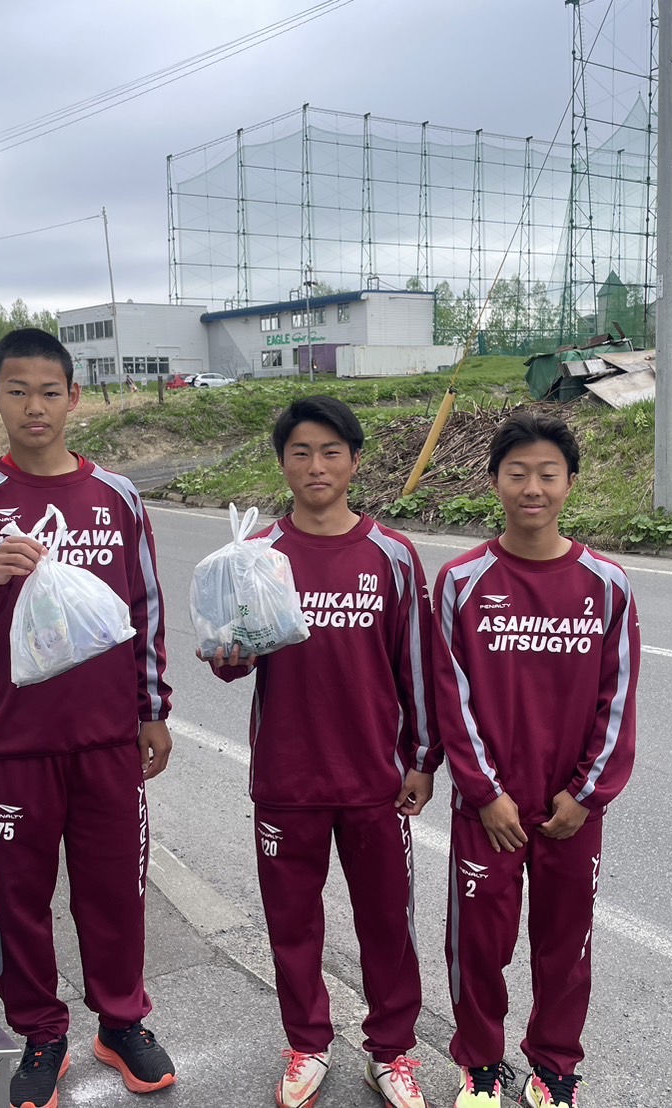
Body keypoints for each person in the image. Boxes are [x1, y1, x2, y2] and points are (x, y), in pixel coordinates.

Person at [0, 328, 177, 1108]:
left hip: (106, 741)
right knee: (18, 901)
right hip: (10, 745)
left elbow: (144, 608)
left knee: (114, 894)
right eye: (17, 391)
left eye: (49, 392)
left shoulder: (116, 496)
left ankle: (121, 1021)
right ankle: (40, 1031)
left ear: (74, 398)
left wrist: (152, 710)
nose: (34, 407)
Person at [201, 396, 439, 1108]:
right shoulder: (255, 556)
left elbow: (416, 665)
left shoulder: (391, 554)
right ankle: (307, 1043)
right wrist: (228, 654)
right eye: (300, 452)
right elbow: (231, 658)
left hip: (372, 779)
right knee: (293, 924)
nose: (316, 466)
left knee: (386, 924)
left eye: (331, 452)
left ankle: (390, 1053)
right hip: (287, 778)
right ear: (282, 463)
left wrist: (422, 759)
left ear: (354, 461)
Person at [431, 411, 640, 1108]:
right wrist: (483, 793)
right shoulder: (461, 581)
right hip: (488, 808)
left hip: (570, 809)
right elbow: (450, 695)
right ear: (494, 481)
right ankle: (480, 1065)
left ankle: (554, 1067)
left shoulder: (606, 584)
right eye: (516, 473)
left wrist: (586, 795)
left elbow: (617, 699)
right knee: (478, 946)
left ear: (570, 483)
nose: (532, 488)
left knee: (565, 945)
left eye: (547, 474)